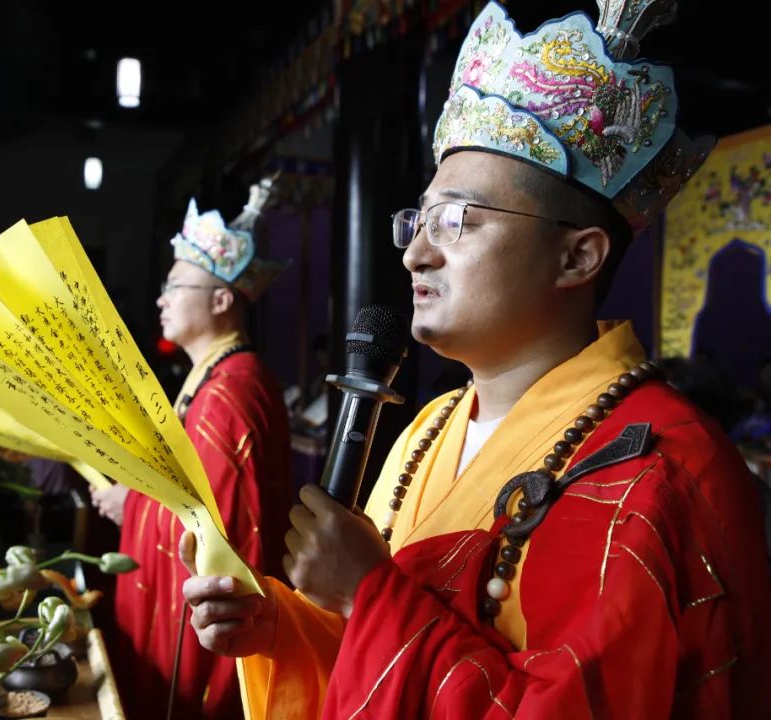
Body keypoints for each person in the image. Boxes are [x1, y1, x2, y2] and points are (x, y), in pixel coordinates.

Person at [180, 3, 771, 718]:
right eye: (419, 219)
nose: (416, 252)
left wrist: (369, 593)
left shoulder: (655, 474)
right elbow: (366, 659)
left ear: (578, 255)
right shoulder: (429, 428)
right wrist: (279, 626)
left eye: (458, 220)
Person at [91, 178, 295, 719]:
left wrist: (130, 504)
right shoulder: (215, 377)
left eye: (176, 286)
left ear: (223, 298)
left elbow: (216, 531)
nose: (162, 298)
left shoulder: (229, 392)